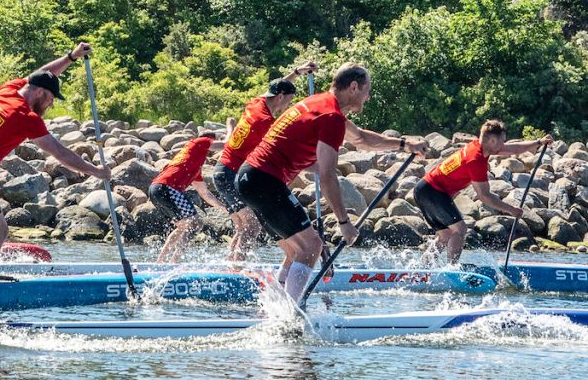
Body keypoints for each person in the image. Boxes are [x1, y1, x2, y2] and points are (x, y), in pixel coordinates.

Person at [235, 63, 428, 303]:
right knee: (311, 247)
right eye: (367, 91)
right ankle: (289, 317)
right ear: (354, 87)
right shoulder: (331, 117)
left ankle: (276, 307)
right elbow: (327, 174)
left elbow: (360, 139)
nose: (367, 97)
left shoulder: (322, 103)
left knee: (296, 250)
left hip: (250, 178)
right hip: (263, 179)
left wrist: (403, 145)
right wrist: (344, 222)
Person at [0, 42, 111, 284]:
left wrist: (71, 57)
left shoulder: (8, 90)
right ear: (41, 93)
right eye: (52, 98)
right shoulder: (27, 118)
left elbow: (41, 73)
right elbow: (59, 152)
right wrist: (95, 171)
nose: (51, 105)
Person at [213, 61, 318, 261]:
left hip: (222, 170)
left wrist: (296, 72)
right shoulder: (265, 123)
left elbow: (276, 86)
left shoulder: (256, 104)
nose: (288, 105)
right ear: (280, 97)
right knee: (252, 225)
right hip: (231, 173)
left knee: (244, 225)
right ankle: (237, 270)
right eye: (289, 100)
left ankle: (231, 266)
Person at [415, 120, 551, 265]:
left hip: (424, 189)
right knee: (459, 230)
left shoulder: (480, 145)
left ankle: (422, 270)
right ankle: (452, 270)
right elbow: (484, 196)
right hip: (432, 191)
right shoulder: (476, 159)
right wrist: (511, 210)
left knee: (445, 234)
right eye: (502, 141)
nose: (503, 144)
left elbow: (514, 149)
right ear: (492, 140)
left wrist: (539, 142)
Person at [149, 133, 227, 265]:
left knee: (183, 227)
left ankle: (160, 263)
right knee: (195, 223)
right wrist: (231, 127)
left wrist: (224, 208)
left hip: (155, 189)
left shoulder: (194, 167)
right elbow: (226, 145)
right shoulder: (198, 142)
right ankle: (174, 263)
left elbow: (205, 194)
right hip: (166, 188)